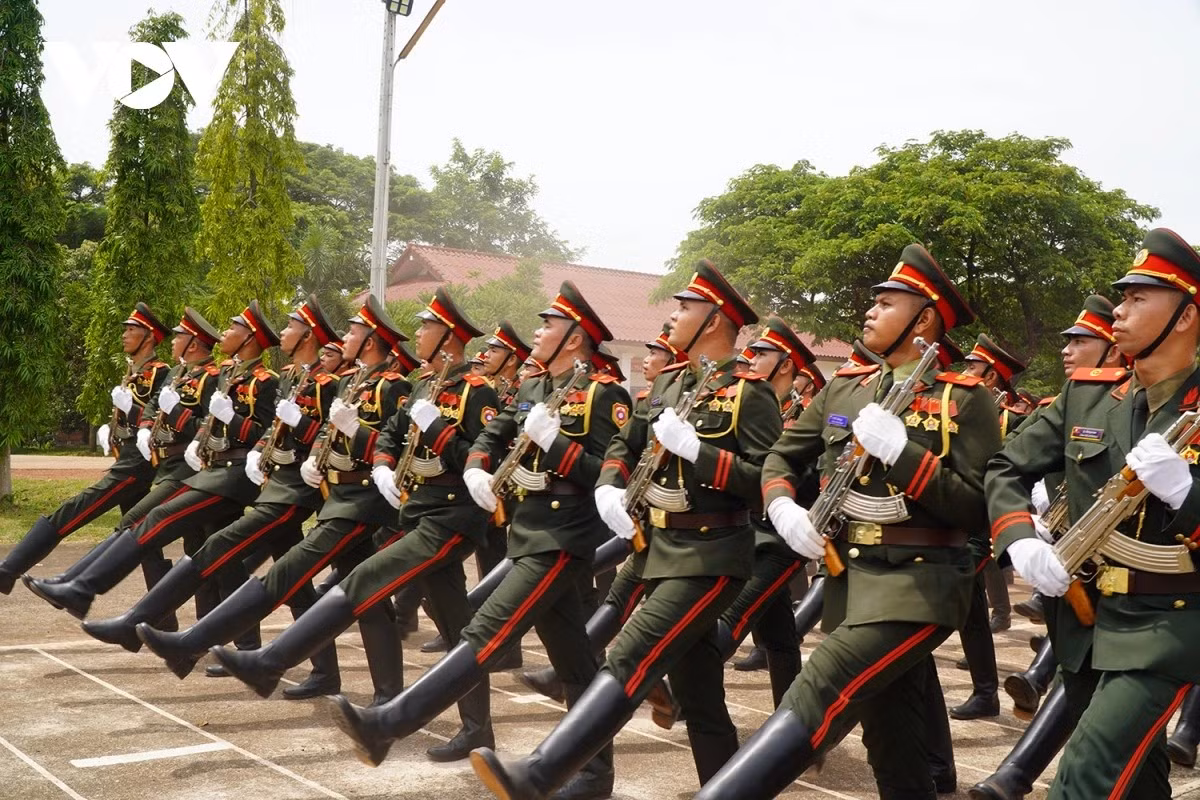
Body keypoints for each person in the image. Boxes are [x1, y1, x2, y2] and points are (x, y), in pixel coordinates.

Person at [697, 243, 998, 800]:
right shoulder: (846, 386)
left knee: (817, 691)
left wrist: (903, 454)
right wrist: (783, 505)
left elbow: (977, 508)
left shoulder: (964, 400)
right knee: (892, 742)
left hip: (919, 585)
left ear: (923, 320)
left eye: (886, 304)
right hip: (850, 584)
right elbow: (781, 456)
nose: (870, 311)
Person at [470, 259, 781, 796]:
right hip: (658, 551)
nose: (674, 315)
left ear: (713, 321)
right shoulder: (671, 383)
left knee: (626, 655)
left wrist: (701, 454)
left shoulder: (750, 393)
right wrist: (611, 484)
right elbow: (623, 444)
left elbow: (768, 481)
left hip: (710, 555)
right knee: (700, 694)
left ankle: (540, 773)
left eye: (685, 308)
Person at [331, 282, 631, 800]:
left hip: (564, 537)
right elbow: (493, 435)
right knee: (577, 664)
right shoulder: (535, 387)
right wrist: (475, 466)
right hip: (529, 531)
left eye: (548, 326)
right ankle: (595, 774)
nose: (538, 331)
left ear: (575, 338)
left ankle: (388, 724)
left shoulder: (605, 395)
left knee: (485, 632)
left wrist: (554, 443)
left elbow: (605, 472)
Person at [988, 228, 1200, 799]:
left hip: (1166, 626)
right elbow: (1005, 468)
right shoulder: (1088, 395)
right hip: (1082, 622)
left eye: (1138, 299)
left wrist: (1187, 494)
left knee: (1083, 776)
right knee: (1137, 780)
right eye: (1122, 297)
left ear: (1184, 317)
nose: (1119, 312)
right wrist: (1021, 539)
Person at [137, 296, 411, 706]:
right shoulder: (351, 382)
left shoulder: (392, 387)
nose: (345, 337)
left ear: (370, 341)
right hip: (337, 497)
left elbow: (391, 446)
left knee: (286, 573)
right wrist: (314, 457)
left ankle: (195, 645)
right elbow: (324, 432)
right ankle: (359, 685)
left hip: (363, 500)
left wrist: (346, 437)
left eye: (353, 332)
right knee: (368, 601)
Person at [27, 302, 280, 620]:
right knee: (209, 557)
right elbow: (188, 418)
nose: (225, 332)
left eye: (233, 328)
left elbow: (260, 431)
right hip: (203, 470)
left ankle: (84, 591)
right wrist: (146, 426)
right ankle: (193, 635)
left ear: (249, 337)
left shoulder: (257, 380)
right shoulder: (222, 374)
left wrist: (201, 421)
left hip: (225, 475)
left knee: (151, 524)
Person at [1, 304, 174, 595]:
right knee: (142, 540)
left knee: (77, 507)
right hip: (127, 458)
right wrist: (112, 427)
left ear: (149, 337)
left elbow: (160, 417)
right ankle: (162, 615)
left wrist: (131, 413)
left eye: (132, 329)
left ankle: (10, 569)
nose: (124, 334)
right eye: (125, 329)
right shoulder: (133, 370)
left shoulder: (162, 373)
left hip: (138, 465)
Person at [948, 334, 1029, 721]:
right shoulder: (958, 406)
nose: (966, 371)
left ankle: (987, 691)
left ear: (992, 377)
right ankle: (985, 692)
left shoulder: (1011, 418)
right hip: (961, 517)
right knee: (969, 608)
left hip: (985, 522)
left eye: (973, 367)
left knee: (957, 597)